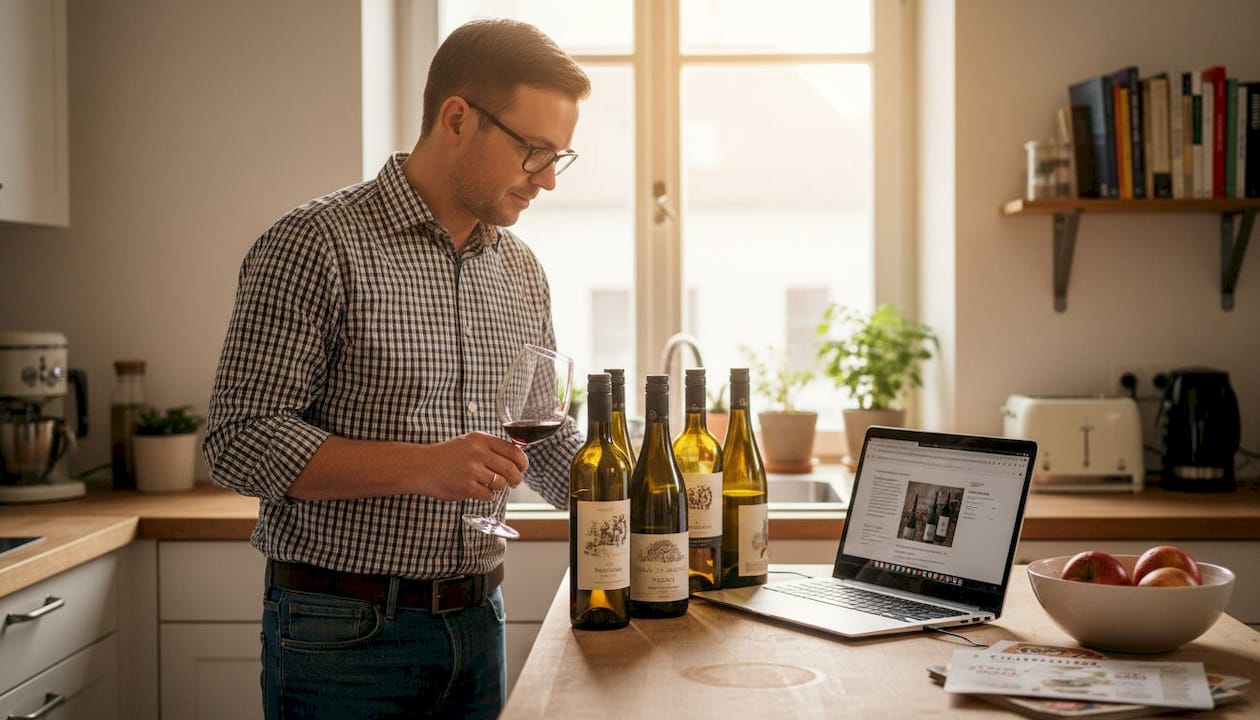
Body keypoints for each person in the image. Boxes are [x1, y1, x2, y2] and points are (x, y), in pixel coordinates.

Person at [203, 18, 590, 719]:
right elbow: (238, 440)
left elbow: (547, 439)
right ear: (456, 118)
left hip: (479, 621)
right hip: (343, 637)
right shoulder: (314, 245)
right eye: (533, 152)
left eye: (558, 159)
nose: (545, 183)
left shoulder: (522, 270)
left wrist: (647, 495)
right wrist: (421, 466)